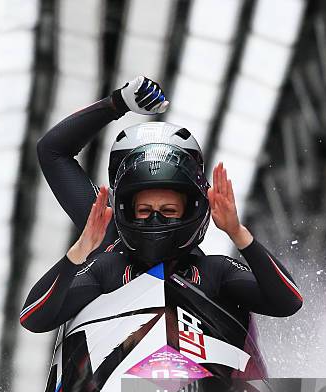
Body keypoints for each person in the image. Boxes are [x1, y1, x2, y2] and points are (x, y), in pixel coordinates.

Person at [20, 76, 303, 348]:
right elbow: (33, 318)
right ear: (124, 205)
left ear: (192, 206)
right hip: (112, 383)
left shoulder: (215, 272)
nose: (155, 220)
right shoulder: (105, 256)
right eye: (144, 210)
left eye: (168, 210)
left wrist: (238, 234)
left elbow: (287, 302)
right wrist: (116, 103)